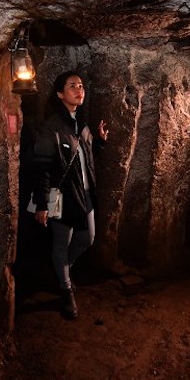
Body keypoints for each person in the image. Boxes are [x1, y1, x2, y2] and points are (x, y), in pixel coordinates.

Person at [31, 71, 109, 319]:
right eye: (72, 86)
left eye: (82, 86)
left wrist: (99, 142)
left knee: (88, 238)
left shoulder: (81, 125)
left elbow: (83, 158)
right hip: (62, 196)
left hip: (85, 193)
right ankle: (66, 291)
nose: (79, 90)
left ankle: (62, 270)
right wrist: (42, 203)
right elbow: (42, 166)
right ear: (59, 94)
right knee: (61, 244)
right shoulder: (51, 126)